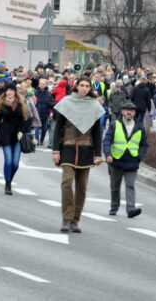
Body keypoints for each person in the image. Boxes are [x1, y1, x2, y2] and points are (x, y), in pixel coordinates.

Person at [52, 76, 105, 233]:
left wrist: (98, 154)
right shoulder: (66, 103)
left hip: (86, 150)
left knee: (81, 188)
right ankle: (66, 219)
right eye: (81, 85)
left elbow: (97, 133)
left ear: (90, 88)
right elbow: (57, 128)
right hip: (67, 148)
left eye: (87, 86)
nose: (84, 88)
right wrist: (55, 150)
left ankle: (75, 220)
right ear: (76, 87)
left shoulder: (94, 106)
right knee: (67, 183)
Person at [103, 101, 147, 218]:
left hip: (132, 162)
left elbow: (144, 144)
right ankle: (114, 207)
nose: (129, 112)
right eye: (127, 110)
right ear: (122, 112)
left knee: (130, 185)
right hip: (116, 160)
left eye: (131, 110)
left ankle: (131, 209)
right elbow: (107, 140)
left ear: (134, 113)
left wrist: (139, 157)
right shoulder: (114, 125)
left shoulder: (139, 127)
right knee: (115, 186)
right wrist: (108, 154)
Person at [0, 84, 30, 195]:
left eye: (11, 90)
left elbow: (27, 119)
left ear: (15, 91)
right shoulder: (1, 103)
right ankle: (8, 184)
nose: (9, 92)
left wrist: (22, 131)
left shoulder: (21, 103)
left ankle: (10, 178)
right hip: (5, 133)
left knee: (15, 163)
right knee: (8, 161)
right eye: (7, 90)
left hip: (17, 135)